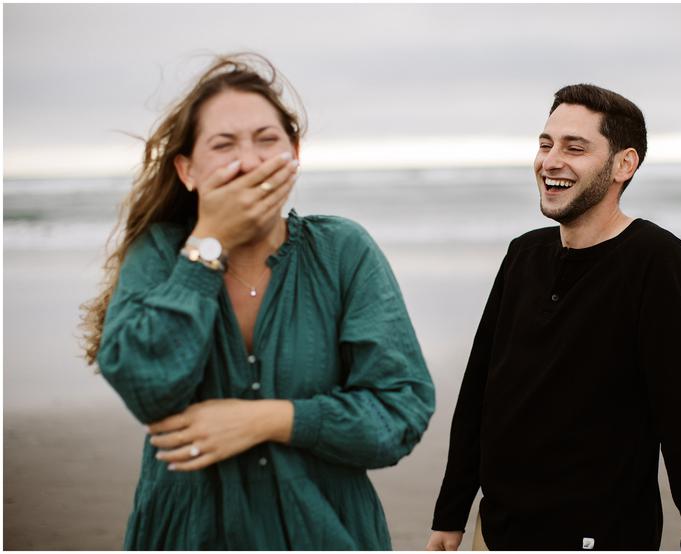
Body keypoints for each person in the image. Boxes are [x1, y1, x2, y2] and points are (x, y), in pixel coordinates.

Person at [79, 53, 435, 550]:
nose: (248, 161)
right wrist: (209, 242)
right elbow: (146, 386)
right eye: (223, 145)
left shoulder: (343, 251)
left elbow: (400, 411)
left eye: (267, 140)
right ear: (187, 170)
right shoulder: (158, 253)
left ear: (294, 153)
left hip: (327, 532)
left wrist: (268, 419)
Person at [426, 84, 681, 551]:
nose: (551, 160)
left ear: (624, 164)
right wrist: (451, 511)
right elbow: (480, 392)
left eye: (575, 148)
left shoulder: (656, 263)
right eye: (545, 144)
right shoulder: (524, 255)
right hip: (495, 531)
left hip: (597, 536)